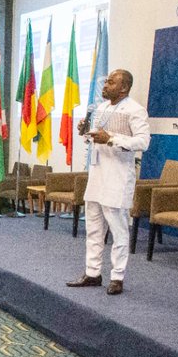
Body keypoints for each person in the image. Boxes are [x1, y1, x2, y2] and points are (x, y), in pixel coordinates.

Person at [67, 69, 151, 296]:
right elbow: (96, 137)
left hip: (117, 178)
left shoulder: (135, 110)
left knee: (118, 230)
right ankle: (93, 273)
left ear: (124, 88)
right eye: (105, 82)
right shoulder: (101, 108)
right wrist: (86, 132)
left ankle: (117, 277)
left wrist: (112, 138)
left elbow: (143, 142)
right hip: (96, 175)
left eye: (111, 82)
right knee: (93, 228)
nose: (105, 85)